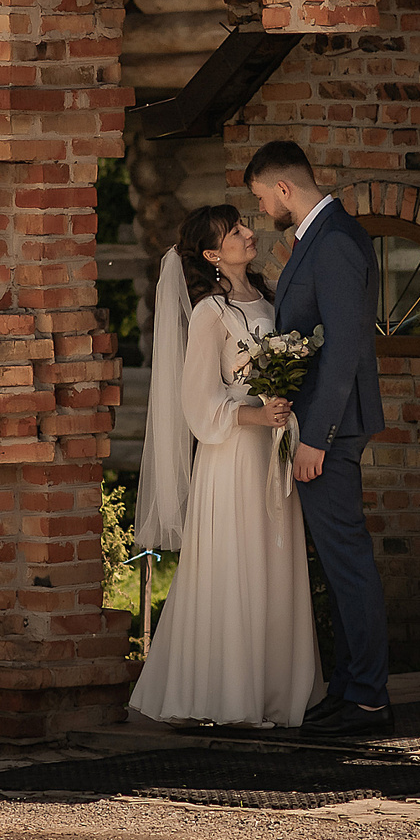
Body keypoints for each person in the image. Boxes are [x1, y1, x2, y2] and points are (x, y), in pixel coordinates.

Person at [126, 205, 324, 728]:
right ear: (213, 254)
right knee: (238, 559)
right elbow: (197, 400)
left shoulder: (270, 297)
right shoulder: (212, 312)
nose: (246, 233)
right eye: (233, 232)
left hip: (273, 449)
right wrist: (255, 414)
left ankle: (276, 691)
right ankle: (229, 693)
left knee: (274, 559)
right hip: (235, 452)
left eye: (242, 224)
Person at [244, 139, 394, 736]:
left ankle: (368, 699)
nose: (262, 212)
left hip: (332, 428)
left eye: (262, 197)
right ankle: (349, 686)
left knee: (348, 560)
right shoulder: (323, 237)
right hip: (319, 426)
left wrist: (319, 438)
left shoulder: (333, 242)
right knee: (335, 562)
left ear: (284, 188)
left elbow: (346, 349)